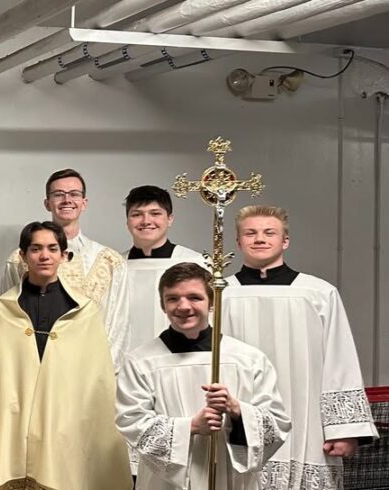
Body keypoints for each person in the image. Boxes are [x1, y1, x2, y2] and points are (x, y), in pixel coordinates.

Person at [221, 205, 377, 488]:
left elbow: (339, 359)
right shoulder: (220, 294)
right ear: (238, 241)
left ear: (285, 241)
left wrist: (344, 430)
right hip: (238, 412)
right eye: (250, 233)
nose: (259, 238)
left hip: (307, 415)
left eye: (269, 232)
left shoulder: (318, 293)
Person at [0, 221, 131, 490]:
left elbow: (96, 382)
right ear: (22, 256)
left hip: (66, 422)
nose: (44, 256)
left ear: (64, 255)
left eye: (52, 248)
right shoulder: (1, 310)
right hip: (14, 420)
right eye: (36, 249)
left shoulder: (84, 312)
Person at [117, 262, 291, 489]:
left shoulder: (248, 359)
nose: (183, 306)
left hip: (229, 476)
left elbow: (276, 423)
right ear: (162, 304)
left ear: (212, 302)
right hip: (165, 483)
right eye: (173, 298)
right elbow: (131, 421)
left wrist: (236, 410)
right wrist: (190, 427)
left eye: (194, 297)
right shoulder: (140, 361)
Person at [0, 169, 130, 367]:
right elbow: (5, 318)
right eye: (58, 194)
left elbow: (118, 326)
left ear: (84, 202)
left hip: (89, 365)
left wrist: (102, 372)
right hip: (31, 365)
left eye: (74, 194)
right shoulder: (19, 259)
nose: (67, 200)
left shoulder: (110, 261)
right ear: (47, 203)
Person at [123, 185, 206, 355]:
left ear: (170, 219)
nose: (146, 221)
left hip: (182, 356)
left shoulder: (197, 263)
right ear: (127, 222)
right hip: (124, 358)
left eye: (155, 213)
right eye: (137, 214)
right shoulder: (113, 266)